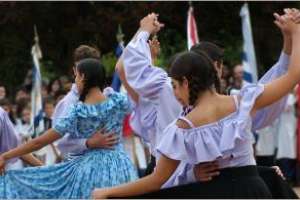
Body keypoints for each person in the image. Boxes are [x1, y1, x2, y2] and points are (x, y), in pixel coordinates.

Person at [92, 10, 300, 198]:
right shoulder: (243, 101)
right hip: (252, 191)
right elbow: (292, 75)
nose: (173, 92)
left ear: (186, 82)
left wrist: (108, 192)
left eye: (175, 85)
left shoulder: (183, 127)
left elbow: (157, 180)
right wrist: (296, 33)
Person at [0, 58, 138, 199]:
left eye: (76, 76)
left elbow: (39, 142)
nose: (75, 80)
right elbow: (140, 98)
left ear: (83, 77)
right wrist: (126, 74)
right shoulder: (118, 101)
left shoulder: (78, 111)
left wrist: (6, 155)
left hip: (90, 171)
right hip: (123, 168)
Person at [52, 45, 119, 160]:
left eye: (91, 70)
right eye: (82, 71)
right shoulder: (68, 103)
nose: (86, 76)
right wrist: (88, 143)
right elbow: (60, 142)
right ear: (75, 71)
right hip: (81, 167)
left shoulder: (111, 96)